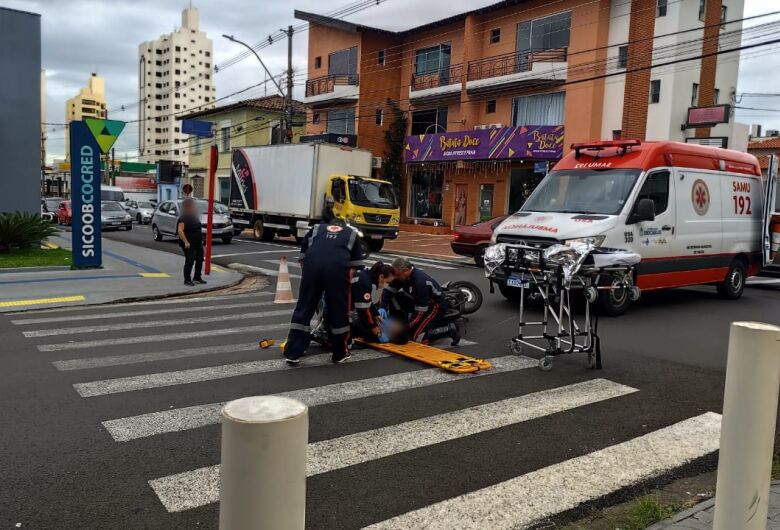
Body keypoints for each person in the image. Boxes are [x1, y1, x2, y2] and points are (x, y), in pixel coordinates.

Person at [284, 203, 364, 366]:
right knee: (338, 311)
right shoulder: (351, 234)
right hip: (337, 270)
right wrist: (340, 286)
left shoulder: (315, 229)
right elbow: (353, 268)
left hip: (312, 268)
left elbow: (302, 258)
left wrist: (311, 277)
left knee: (304, 308)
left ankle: (293, 352)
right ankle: (339, 353)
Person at [390, 257, 459, 345]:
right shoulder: (405, 276)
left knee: (418, 339)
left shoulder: (419, 282)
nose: (395, 277)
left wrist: (405, 326)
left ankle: (448, 329)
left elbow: (420, 312)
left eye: (397, 275)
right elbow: (388, 291)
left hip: (435, 306)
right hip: (423, 305)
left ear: (406, 270)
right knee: (410, 333)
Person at [351, 261, 398, 342]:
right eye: (387, 282)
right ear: (381, 276)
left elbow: (368, 303)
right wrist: (373, 327)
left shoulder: (365, 277)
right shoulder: (365, 282)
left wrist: (378, 316)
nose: (386, 285)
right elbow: (363, 310)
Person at [177, 198, 206, 287]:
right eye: (192, 206)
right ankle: (187, 280)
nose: (194, 207)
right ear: (187, 207)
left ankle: (197, 277)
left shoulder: (194, 216)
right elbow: (180, 231)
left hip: (198, 243)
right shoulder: (183, 218)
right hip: (189, 244)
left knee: (200, 260)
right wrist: (186, 242)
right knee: (190, 261)